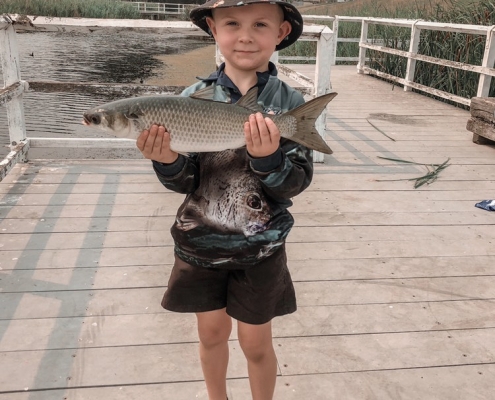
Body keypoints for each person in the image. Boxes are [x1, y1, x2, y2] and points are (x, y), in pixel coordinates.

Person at [136, 1, 310, 399]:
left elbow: (294, 184)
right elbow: (188, 182)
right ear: (214, 29)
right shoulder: (191, 98)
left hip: (261, 248)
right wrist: (167, 161)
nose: (245, 36)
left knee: (255, 343)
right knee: (211, 333)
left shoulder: (290, 106)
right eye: (232, 23)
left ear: (281, 33)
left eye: (260, 25)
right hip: (200, 243)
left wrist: (269, 160)